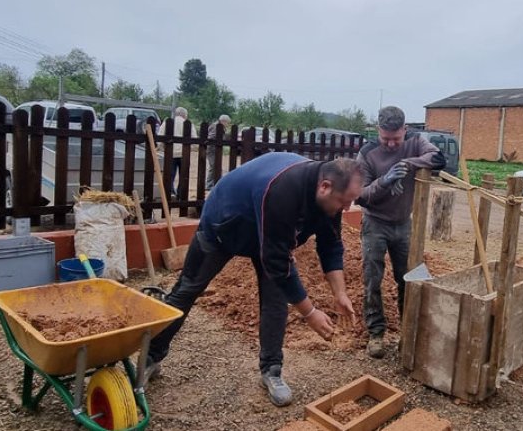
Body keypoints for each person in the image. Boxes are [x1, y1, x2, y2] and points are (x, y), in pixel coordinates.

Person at [144, 152, 362, 407]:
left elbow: (331, 245)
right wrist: (310, 312)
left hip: (269, 234)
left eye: (350, 202)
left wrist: (340, 293)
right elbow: (278, 264)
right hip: (225, 226)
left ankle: (271, 370)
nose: (347, 209)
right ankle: (150, 356)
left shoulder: (331, 193)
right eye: (344, 201)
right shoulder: (284, 190)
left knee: (275, 299)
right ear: (325, 187)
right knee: (187, 289)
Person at [356, 106, 445, 358]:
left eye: (397, 138)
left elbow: (438, 159)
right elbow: (360, 196)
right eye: (386, 139)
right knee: (372, 279)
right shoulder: (367, 153)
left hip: (404, 224)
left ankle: (409, 329)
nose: (392, 144)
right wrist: (384, 181)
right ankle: (376, 333)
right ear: (378, 131)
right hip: (375, 224)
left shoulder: (416, 141)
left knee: (408, 277)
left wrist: (407, 162)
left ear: (405, 130)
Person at [164, 107, 189, 199]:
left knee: (170, 174)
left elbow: (161, 136)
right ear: (184, 115)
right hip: (184, 154)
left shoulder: (168, 122)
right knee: (183, 175)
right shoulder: (188, 124)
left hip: (171, 153)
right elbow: (194, 139)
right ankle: (180, 194)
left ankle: (170, 193)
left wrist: (163, 148)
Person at [204, 114, 233, 191]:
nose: (227, 125)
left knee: (217, 166)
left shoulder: (218, 126)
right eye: (227, 123)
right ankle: (209, 184)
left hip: (215, 150)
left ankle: (215, 183)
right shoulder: (215, 126)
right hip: (212, 150)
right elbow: (211, 137)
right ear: (223, 121)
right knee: (213, 166)